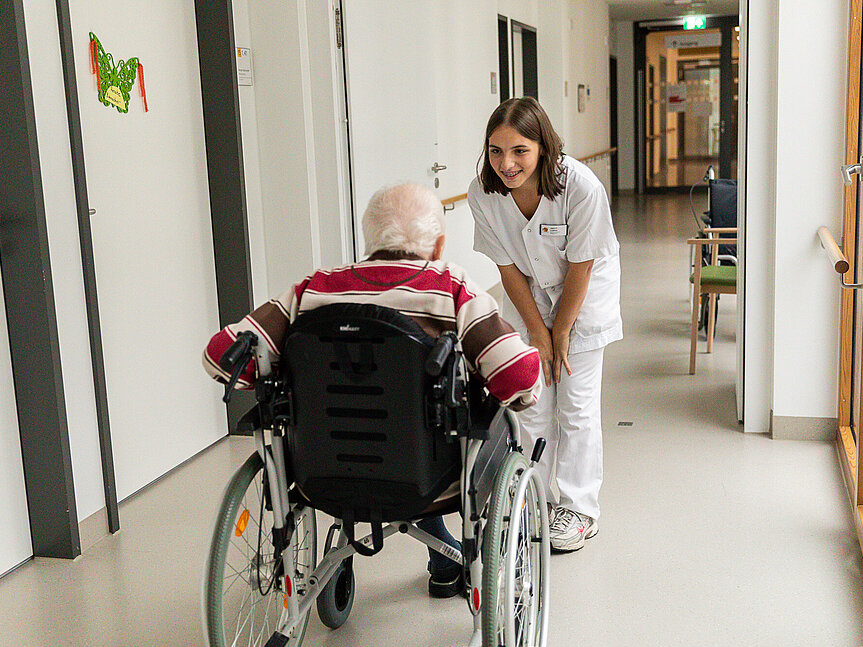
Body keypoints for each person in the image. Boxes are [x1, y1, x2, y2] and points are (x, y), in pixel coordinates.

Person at [203, 182, 541, 597]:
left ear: (368, 239)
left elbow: (220, 357)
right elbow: (519, 378)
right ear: (438, 246)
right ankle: (456, 559)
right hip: (434, 482)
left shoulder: (313, 291)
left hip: (321, 476)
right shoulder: (451, 290)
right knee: (488, 425)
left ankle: (438, 555)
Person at [468, 97, 622, 553]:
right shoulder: (483, 194)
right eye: (496, 151)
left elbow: (582, 266)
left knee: (575, 402)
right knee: (532, 402)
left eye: (519, 150)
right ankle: (532, 499)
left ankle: (579, 508)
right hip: (528, 297)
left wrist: (561, 333)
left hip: (584, 294)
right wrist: (537, 332)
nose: (507, 163)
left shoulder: (580, 187)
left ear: (543, 148)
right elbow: (509, 270)